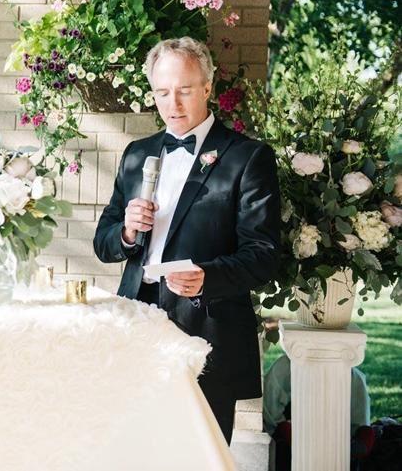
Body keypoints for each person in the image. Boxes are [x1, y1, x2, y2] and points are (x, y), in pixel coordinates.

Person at [93, 37, 281, 444]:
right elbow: (103, 243)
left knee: (200, 451)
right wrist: (126, 231)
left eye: (184, 90)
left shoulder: (247, 157)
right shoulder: (135, 154)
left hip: (206, 329)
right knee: (137, 448)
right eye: (162, 92)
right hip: (136, 323)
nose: (172, 103)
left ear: (208, 87)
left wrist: (208, 277)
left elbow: (264, 254)